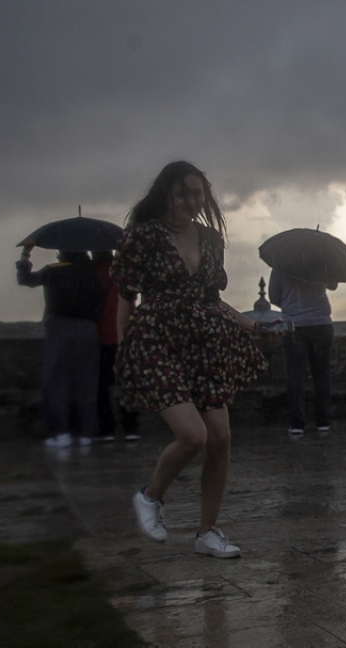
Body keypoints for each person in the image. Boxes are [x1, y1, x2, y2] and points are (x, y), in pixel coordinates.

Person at [113, 160, 268, 559]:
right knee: (193, 436)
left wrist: (247, 324)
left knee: (220, 438)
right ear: (167, 193)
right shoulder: (144, 236)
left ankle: (207, 532)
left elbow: (211, 298)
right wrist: (123, 348)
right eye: (184, 192)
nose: (192, 200)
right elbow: (126, 296)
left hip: (206, 344)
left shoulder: (210, 238)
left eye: (198, 193)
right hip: (157, 341)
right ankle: (150, 496)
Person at [16, 246, 104, 448]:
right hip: (89, 329)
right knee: (86, 383)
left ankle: (61, 432)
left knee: (56, 382)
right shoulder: (91, 271)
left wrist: (25, 254)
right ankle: (84, 434)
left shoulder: (53, 270)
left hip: (60, 327)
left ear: (63, 253)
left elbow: (25, 280)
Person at [267, 268, 335, 436]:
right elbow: (333, 285)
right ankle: (323, 422)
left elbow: (274, 297)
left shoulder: (280, 265)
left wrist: (293, 304)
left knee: (295, 375)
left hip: (294, 325)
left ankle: (297, 424)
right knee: (322, 374)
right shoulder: (320, 260)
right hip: (321, 323)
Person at [92, 251, 140, 441]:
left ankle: (106, 429)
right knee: (126, 384)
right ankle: (131, 427)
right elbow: (130, 304)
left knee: (102, 387)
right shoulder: (122, 271)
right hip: (122, 337)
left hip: (101, 337)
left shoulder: (90, 271)